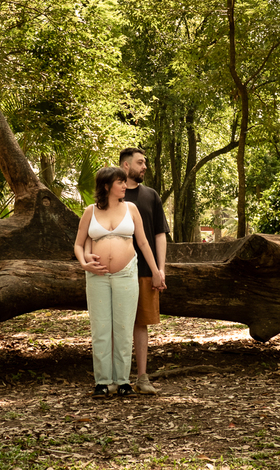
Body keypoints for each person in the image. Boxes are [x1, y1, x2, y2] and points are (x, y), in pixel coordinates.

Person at [74, 165, 164, 398]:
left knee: (124, 327)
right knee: (101, 328)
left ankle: (123, 382)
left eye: (125, 182)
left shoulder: (131, 209)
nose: (125, 186)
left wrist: (156, 271)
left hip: (126, 273)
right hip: (97, 276)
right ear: (106, 186)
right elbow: (78, 243)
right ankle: (103, 382)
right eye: (120, 182)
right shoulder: (90, 211)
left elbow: (143, 243)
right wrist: (84, 263)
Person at [119, 147, 169, 395]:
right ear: (126, 166)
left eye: (145, 162)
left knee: (141, 324)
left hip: (145, 272)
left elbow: (159, 234)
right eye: (140, 162)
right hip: (115, 272)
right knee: (117, 324)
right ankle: (116, 378)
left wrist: (160, 269)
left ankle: (142, 377)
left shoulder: (151, 196)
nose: (145, 166)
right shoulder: (112, 195)